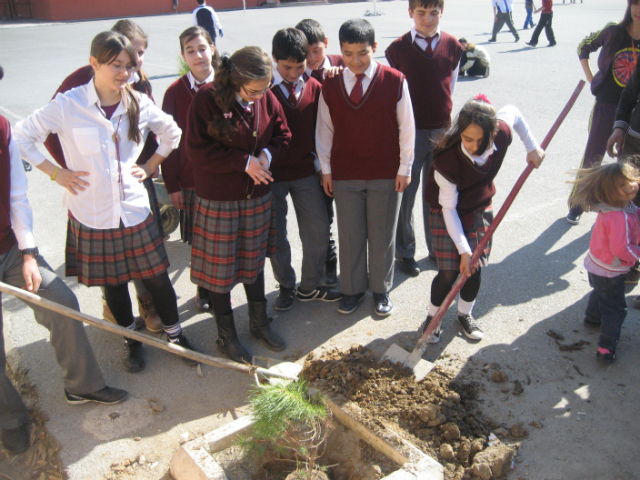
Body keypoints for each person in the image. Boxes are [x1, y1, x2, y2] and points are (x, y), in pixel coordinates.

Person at [14, 32, 197, 374]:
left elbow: (172, 132)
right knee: (113, 285)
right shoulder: (68, 105)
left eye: (129, 66)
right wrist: (56, 173)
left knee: (157, 278)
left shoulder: (137, 103)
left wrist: (150, 165)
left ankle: (176, 336)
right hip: (92, 214)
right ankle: (131, 342)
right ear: (94, 63)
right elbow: (22, 135)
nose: (124, 73)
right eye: (115, 65)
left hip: (135, 210)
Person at [0, 66, 127, 455]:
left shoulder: (3, 128)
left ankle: (83, 386)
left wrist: (27, 253)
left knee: (61, 301)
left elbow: (17, 198)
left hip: (8, 247)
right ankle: (11, 419)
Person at [42, 19, 164, 334]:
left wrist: (151, 165)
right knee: (111, 263)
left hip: (134, 180)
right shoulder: (78, 85)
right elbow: (47, 133)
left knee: (144, 255)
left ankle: (148, 303)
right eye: (127, 56)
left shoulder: (141, 83)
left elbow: (152, 133)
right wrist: (65, 171)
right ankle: (120, 316)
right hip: (94, 188)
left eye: (140, 56)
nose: (134, 64)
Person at [186, 47, 291, 363]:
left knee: (253, 262)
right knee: (220, 273)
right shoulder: (206, 99)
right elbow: (197, 151)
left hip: (256, 199)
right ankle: (227, 337)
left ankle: (259, 324)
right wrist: (243, 161)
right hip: (219, 201)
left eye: (264, 89)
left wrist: (266, 156)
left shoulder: (266, 98)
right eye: (253, 91)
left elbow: (283, 134)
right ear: (234, 81)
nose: (260, 97)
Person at [421, 95, 544, 342]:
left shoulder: (501, 135)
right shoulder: (446, 162)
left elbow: (513, 111)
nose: (475, 146)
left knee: (473, 270)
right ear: (460, 131)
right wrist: (464, 250)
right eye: (468, 139)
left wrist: (532, 147)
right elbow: (449, 210)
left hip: (478, 205)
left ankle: (464, 315)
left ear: (493, 132)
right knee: (448, 271)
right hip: (446, 210)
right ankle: (432, 318)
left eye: (481, 140)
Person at [317, 19, 416, 316]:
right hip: (345, 173)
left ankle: (381, 289)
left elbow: (406, 127)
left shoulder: (395, 80)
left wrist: (405, 167)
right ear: (340, 52)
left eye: (362, 53)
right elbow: (325, 130)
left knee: (382, 233)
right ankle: (351, 290)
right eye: (348, 54)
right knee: (350, 234)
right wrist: (326, 169)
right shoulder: (331, 85)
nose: (356, 61)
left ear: (374, 48)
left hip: (386, 173)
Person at [385, 0, 462, 277]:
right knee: (406, 193)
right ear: (410, 14)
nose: (428, 19)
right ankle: (405, 252)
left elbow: (450, 87)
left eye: (434, 13)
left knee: (438, 194)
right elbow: (395, 94)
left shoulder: (453, 46)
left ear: (442, 12)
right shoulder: (397, 50)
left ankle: (437, 248)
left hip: (442, 133)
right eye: (421, 13)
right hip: (410, 132)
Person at [268, 28, 342, 312]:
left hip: (305, 173)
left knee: (319, 230)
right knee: (276, 236)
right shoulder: (263, 90)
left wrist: (324, 169)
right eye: (287, 67)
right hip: (272, 177)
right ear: (275, 59)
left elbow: (324, 132)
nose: (294, 73)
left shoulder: (316, 87)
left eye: (300, 66)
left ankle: (311, 286)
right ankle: (286, 285)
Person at [161, 26, 219, 312]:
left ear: (213, 49)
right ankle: (203, 288)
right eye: (190, 50)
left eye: (202, 48)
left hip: (224, 178)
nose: (197, 55)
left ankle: (222, 289)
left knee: (222, 239)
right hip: (191, 180)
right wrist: (172, 185)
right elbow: (168, 144)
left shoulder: (229, 84)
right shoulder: (174, 93)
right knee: (199, 240)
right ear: (183, 55)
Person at [568, 1, 640, 225]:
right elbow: (583, 46)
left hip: (633, 112)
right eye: (635, 3)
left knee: (626, 164)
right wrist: (592, 78)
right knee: (594, 155)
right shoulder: (612, 31)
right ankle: (577, 204)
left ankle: (619, 213)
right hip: (606, 105)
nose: (638, 9)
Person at [569, 162, 640, 364]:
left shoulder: (616, 207)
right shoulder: (619, 218)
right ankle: (606, 348)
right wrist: (636, 254)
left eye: (631, 179)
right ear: (610, 191)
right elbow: (620, 249)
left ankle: (592, 318)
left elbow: (633, 212)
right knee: (615, 310)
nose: (631, 186)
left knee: (601, 292)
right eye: (622, 184)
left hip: (597, 265)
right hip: (611, 269)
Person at [295, 18, 344, 287]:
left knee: (351, 217)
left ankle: (357, 270)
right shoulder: (297, 75)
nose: (312, 59)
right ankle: (329, 264)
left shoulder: (343, 65)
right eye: (306, 53)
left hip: (347, 156)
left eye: (317, 51)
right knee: (323, 217)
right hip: (315, 162)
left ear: (326, 44)